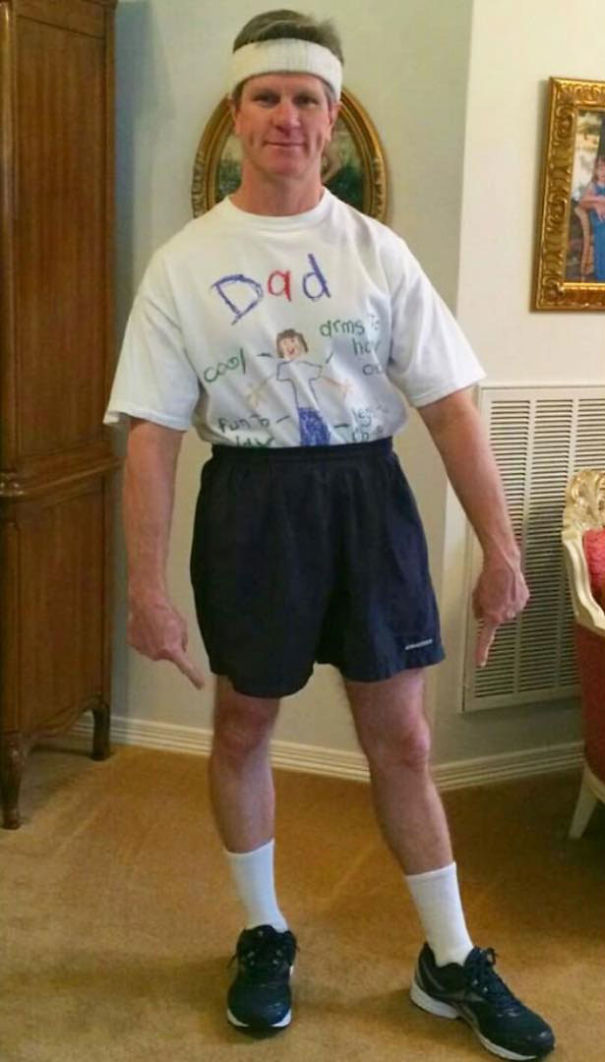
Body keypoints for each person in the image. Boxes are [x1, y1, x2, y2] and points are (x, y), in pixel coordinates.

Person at [104, 10, 555, 1060]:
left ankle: (449, 959)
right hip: (251, 501)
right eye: (266, 97)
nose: (287, 117)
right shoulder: (183, 264)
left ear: (332, 115)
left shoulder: (375, 253)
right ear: (236, 113)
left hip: (366, 498)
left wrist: (498, 550)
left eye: (306, 99)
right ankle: (264, 932)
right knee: (242, 726)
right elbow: (152, 439)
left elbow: (450, 408)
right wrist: (145, 590)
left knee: (403, 738)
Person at [579, 154, 605, 282]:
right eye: (600, 168)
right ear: (595, 171)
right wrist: (597, 201)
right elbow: (583, 201)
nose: (603, 172)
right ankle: (602, 277)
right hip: (600, 223)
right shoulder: (593, 186)